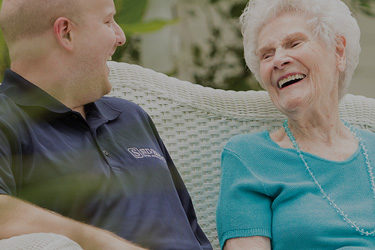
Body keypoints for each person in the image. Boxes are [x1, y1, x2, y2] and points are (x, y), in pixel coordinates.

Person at [0, 0, 212, 249]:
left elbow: (193, 231)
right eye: (108, 21)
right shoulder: (7, 117)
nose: (120, 37)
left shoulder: (131, 116)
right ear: (66, 32)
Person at [216, 0, 375, 249]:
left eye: (294, 43)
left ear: (338, 51)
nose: (278, 60)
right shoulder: (250, 157)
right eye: (267, 55)